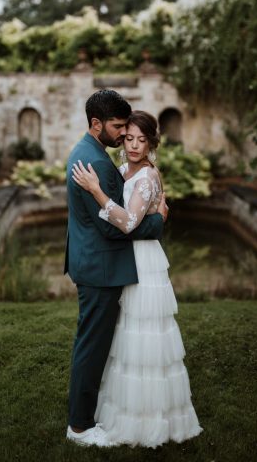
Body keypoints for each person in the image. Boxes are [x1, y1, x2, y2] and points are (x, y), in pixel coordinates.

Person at [71, 109, 204, 448]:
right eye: (128, 138)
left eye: (141, 140)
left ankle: (151, 417)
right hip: (127, 259)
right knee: (128, 337)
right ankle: (125, 412)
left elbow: (129, 222)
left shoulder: (146, 177)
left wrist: (97, 191)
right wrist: (156, 219)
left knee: (146, 336)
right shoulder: (122, 169)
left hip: (143, 261)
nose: (132, 145)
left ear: (151, 143)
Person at [64, 90, 167, 447]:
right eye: (119, 128)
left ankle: (86, 417)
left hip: (91, 261)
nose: (125, 136)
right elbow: (115, 226)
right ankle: (79, 428)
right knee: (92, 347)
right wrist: (158, 223)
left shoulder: (86, 152)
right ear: (97, 125)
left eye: (132, 131)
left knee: (92, 343)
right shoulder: (100, 165)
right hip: (101, 267)